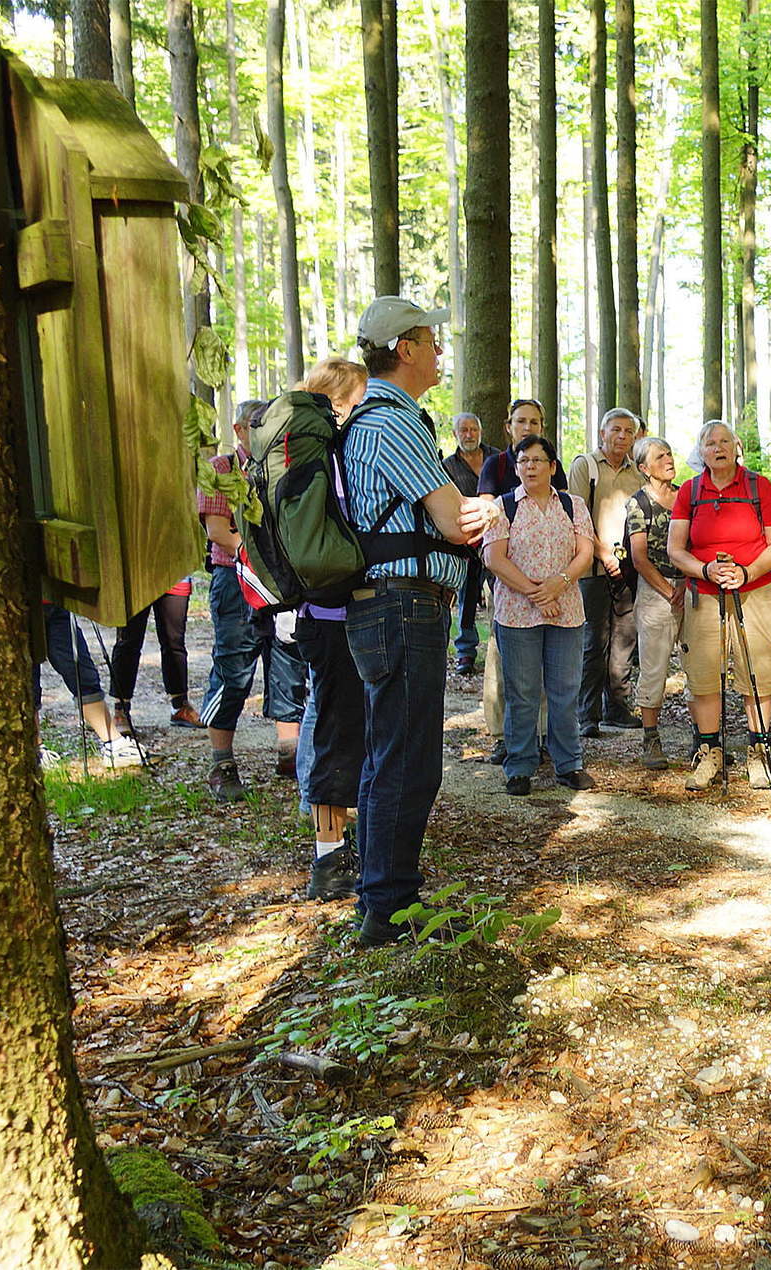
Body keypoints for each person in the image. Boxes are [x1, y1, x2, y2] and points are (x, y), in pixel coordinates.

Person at [341, 296, 497, 946]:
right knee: (408, 761)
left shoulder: (373, 417)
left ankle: (382, 899)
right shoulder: (394, 422)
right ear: (404, 349)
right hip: (404, 605)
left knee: (389, 755)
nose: (438, 352)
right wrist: (491, 508)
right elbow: (455, 522)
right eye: (431, 341)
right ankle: (391, 911)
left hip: (387, 604)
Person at [668, 420, 771, 791]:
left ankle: (758, 752)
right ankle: (710, 753)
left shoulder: (758, 486)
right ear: (701, 451)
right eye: (710, 443)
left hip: (756, 591)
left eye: (724, 441)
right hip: (704, 594)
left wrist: (747, 572)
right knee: (704, 673)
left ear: (736, 447)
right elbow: (675, 549)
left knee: (759, 671)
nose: (718, 448)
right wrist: (705, 570)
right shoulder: (690, 491)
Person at [198, 399, 309, 802]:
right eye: (256, 426)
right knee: (234, 666)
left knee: (288, 659)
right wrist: (261, 556)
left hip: (280, 581)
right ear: (239, 430)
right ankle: (222, 763)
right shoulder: (221, 469)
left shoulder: (282, 466)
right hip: (235, 578)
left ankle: (290, 753)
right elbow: (218, 531)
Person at [292, 358, 371, 901]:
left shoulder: (323, 452)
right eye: (361, 398)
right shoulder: (322, 455)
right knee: (335, 735)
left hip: (332, 614)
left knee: (348, 731)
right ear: (339, 401)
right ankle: (328, 858)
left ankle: (343, 844)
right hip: (331, 616)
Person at [481, 435, 597, 796]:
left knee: (565, 691)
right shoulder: (502, 507)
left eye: (537, 460)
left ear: (552, 466)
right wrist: (537, 594)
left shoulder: (573, 505)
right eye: (523, 461)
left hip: (566, 612)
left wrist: (559, 583)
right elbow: (494, 558)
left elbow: (585, 552)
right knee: (523, 692)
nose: (530, 467)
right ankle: (519, 766)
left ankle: (569, 764)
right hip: (517, 614)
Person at [575, 407, 645, 736]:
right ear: (602, 433)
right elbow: (576, 517)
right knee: (593, 642)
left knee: (624, 642)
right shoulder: (585, 466)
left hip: (628, 570)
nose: (622, 436)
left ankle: (616, 708)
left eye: (628, 431)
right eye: (615, 430)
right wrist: (603, 553)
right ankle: (585, 714)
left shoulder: (638, 474)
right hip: (592, 569)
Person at [625, 435, 685, 770]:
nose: (668, 460)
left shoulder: (686, 496)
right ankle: (651, 738)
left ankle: (704, 739)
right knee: (654, 667)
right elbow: (639, 557)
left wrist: (688, 583)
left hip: (692, 586)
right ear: (644, 467)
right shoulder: (639, 503)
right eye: (660, 456)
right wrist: (668, 591)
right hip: (655, 591)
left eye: (669, 453)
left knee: (699, 663)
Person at [38, 603, 137, 766]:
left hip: (55, 602)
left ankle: (115, 746)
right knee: (25, 680)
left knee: (82, 673)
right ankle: (35, 750)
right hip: (16, 606)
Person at [442, 411, 500, 675]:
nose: (469, 435)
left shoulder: (497, 459)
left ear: (480, 432)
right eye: (463, 430)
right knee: (465, 599)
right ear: (455, 434)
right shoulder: (447, 466)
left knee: (502, 595)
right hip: (465, 544)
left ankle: (501, 649)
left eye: (473, 430)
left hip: (498, 541)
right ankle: (466, 651)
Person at [109, 581, 198, 732]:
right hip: (135, 578)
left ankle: (180, 706)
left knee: (174, 641)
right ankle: (120, 710)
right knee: (128, 642)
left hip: (174, 575)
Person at [477, 398, 568, 498]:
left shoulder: (551, 464)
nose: (527, 427)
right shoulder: (494, 465)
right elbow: (487, 505)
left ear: (541, 429)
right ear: (508, 427)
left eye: (534, 422)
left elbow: (563, 503)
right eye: (521, 421)